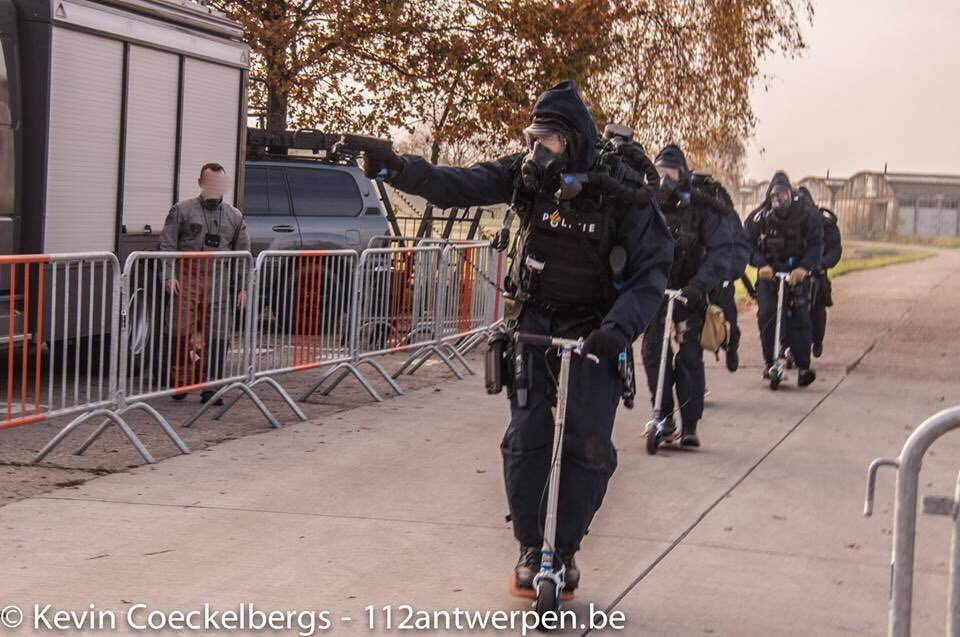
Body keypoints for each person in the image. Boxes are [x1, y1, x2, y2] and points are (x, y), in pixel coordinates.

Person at [364, 81, 673, 596]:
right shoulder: (525, 175)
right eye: (532, 137)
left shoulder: (620, 188)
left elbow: (652, 271)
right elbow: (455, 184)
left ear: (573, 139)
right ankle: (532, 550)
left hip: (597, 331)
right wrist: (395, 167)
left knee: (589, 443)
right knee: (526, 437)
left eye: (546, 139)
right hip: (535, 323)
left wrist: (618, 330)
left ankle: (565, 553)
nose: (536, 150)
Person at [641, 147, 731, 448]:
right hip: (656, 291)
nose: (665, 180)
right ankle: (663, 417)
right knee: (654, 353)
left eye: (671, 173)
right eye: (660, 173)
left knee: (690, 356)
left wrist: (698, 286)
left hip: (690, 292)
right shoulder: (647, 204)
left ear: (683, 175)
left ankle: (690, 423)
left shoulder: (702, 208)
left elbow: (720, 252)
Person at [159, 163, 250, 405]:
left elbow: (243, 254)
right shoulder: (182, 210)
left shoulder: (235, 217)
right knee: (178, 331)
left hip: (218, 281)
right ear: (200, 183)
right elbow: (167, 244)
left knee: (218, 334)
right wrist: (169, 275)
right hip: (187, 278)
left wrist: (243, 287)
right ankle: (181, 381)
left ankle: (212, 387)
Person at [744, 172, 823, 386]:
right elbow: (746, 242)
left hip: (796, 274)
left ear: (791, 193)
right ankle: (770, 362)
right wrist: (760, 264)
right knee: (767, 315)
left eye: (784, 194)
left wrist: (804, 267)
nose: (780, 200)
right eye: (776, 196)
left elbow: (817, 243)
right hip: (770, 274)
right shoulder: (761, 216)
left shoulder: (805, 214)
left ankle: (803, 366)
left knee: (800, 317)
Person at [693, 172, 749, 372]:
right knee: (692, 331)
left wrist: (729, 273)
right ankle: (695, 381)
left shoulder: (725, 214)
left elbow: (740, 246)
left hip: (721, 277)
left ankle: (732, 345)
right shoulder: (688, 212)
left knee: (729, 319)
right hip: (694, 279)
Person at [796, 186, 843, 358]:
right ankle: (786, 346)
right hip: (795, 273)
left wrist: (822, 264)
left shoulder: (825, 223)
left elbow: (835, 249)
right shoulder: (790, 222)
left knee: (817, 309)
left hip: (817, 273)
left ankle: (817, 341)